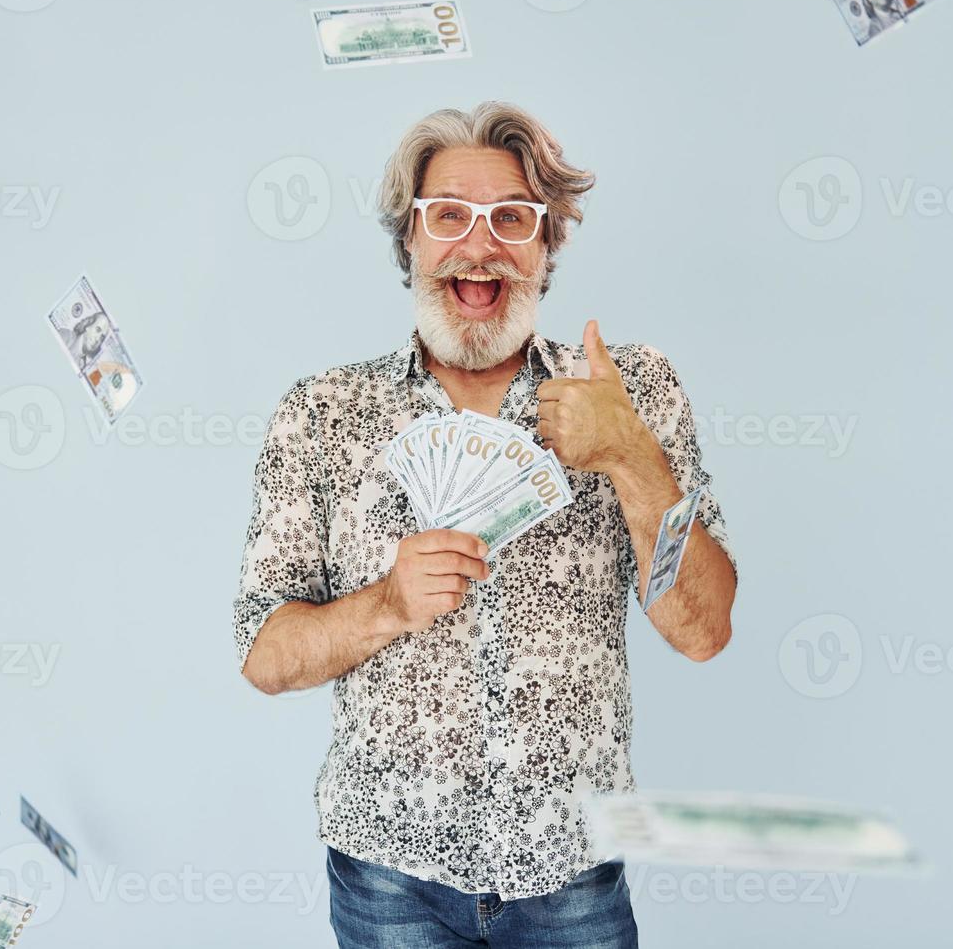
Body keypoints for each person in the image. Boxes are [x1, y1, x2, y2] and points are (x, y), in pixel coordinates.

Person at [232, 101, 739, 948]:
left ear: (548, 246)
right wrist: (387, 603)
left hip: (571, 874)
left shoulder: (635, 393)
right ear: (410, 242)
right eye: (448, 217)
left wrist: (631, 457)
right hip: (388, 875)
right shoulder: (321, 415)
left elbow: (704, 630)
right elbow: (265, 655)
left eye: (512, 217)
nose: (480, 243)